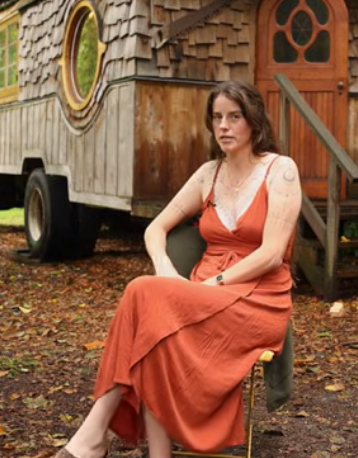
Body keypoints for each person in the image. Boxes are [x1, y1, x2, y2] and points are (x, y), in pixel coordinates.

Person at [54, 81, 302, 458]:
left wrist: (215, 283)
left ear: (254, 120)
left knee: (143, 295)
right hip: (201, 296)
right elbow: (155, 229)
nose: (224, 126)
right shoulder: (208, 174)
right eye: (217, 117)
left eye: (234, 117)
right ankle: (141, 450)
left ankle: (93, 436)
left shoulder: (280, 170)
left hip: (256, 299)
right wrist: (165, 268)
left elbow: (270, 254)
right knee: (153, 321)